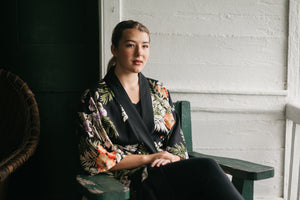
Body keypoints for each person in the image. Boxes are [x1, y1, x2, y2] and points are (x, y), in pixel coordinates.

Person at [77, 20, 244, 200]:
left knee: (206, 173)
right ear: (114, 50)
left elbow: (177, 143)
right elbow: (96, 157)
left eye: (145, 46)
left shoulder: (158, 90)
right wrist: (150, 158)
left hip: (166, 172)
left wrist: (170, 158)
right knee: (207, 168)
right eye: (130, 45)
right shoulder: (94, 96)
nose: (139, 53)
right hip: (127, 182)